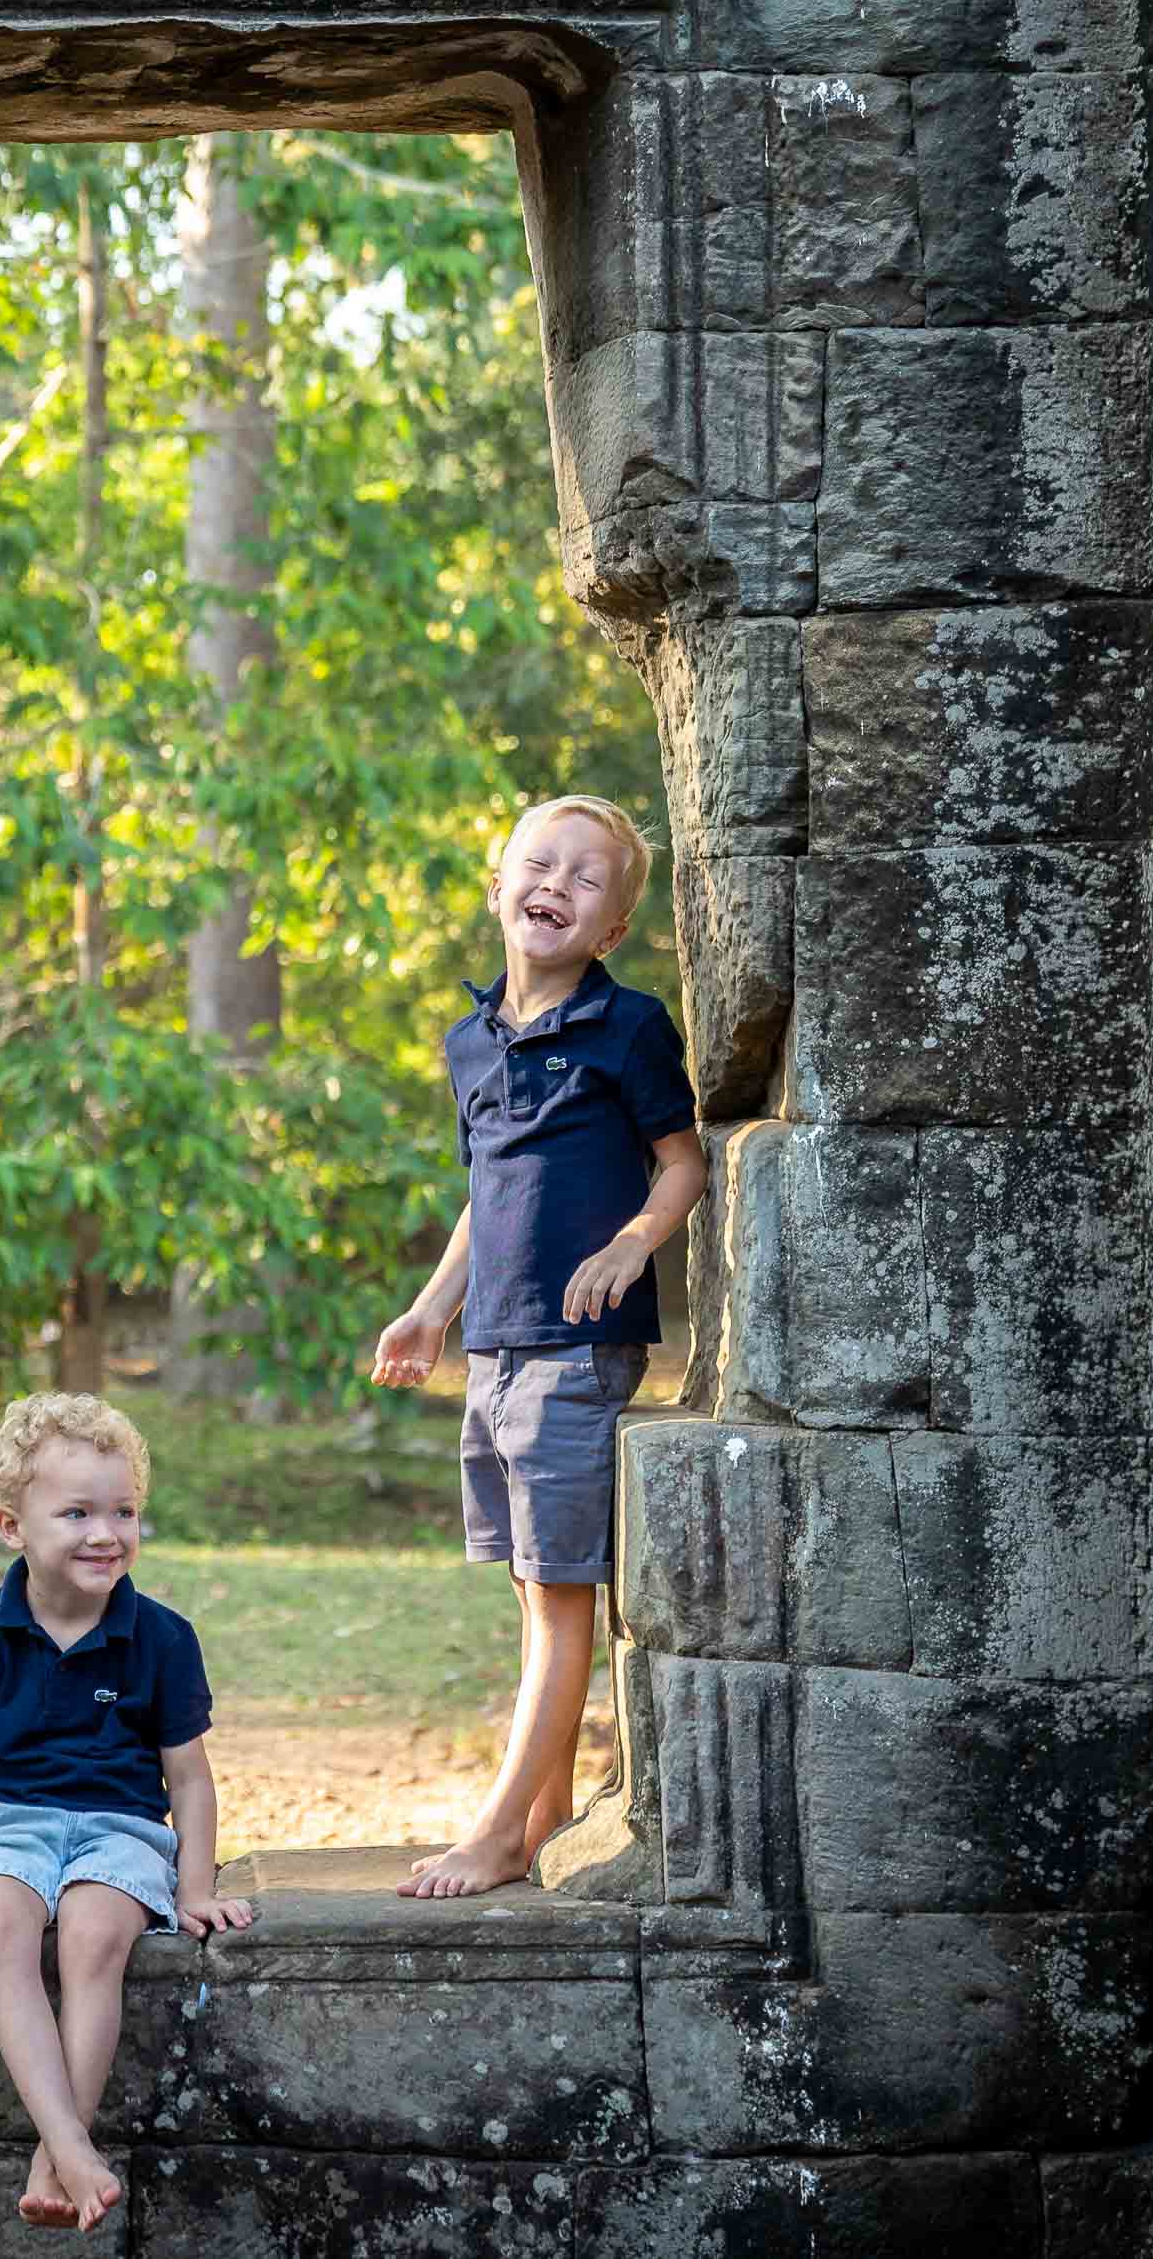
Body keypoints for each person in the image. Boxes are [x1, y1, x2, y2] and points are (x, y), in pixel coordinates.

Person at [371, 795, 704, 1900]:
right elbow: (486, 1193)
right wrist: (432, 1311)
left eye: (586, 876)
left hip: (578, 1349)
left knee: (563, 1598)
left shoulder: (628, 1026)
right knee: (530, 1591)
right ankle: (550, 1807)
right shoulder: (469, 1040)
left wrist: (633, 1243)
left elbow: (681, 1161)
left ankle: (500, 1829)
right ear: (497, 886)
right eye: (537, 863)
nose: (554, 883)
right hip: (497, 1348)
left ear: (610, 928)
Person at [0, 1393, 252, 2234]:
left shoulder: (164, 1638)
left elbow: (188, 1780)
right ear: (13, 1526)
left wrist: (193, 1888)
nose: (104, 1533)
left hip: (121, 1830)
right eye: (76, 1512)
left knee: (92, 1937)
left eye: (123, 1512)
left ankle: (57, 2153)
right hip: (5, 1822)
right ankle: (74, 2149)